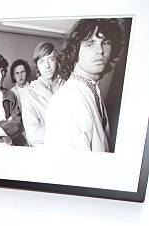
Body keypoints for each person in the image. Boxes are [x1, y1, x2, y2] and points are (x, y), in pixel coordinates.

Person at [45, 18, 124, 151]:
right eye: (90, 44)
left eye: (105, 42)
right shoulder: (67, 102)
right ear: (75, 51)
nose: (100, 50)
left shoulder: (91, 89)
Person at [21, 42, 63, 146]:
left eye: (51, 59)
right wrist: (67, 130)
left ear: (57, 61)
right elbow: (34, 136)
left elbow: (78, 124)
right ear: (37, 66)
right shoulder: (29, 93)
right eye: (41, 62)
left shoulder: (68, 86)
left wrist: (48, 95)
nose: (47, 66)